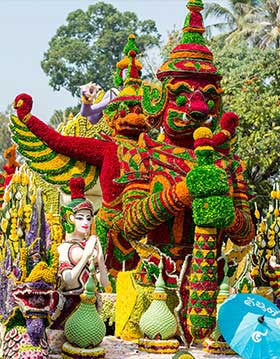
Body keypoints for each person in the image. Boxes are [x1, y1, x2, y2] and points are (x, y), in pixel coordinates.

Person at [50, 176, 109, 329]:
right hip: (70, 308)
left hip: (90, 307)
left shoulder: (89, 246)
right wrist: (85, 257)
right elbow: (67, 280)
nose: (85, 223)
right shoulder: (63, 248)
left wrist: (100, 258)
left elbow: (105, 283)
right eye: (80, 217)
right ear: (70, 218)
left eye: (89, 218)